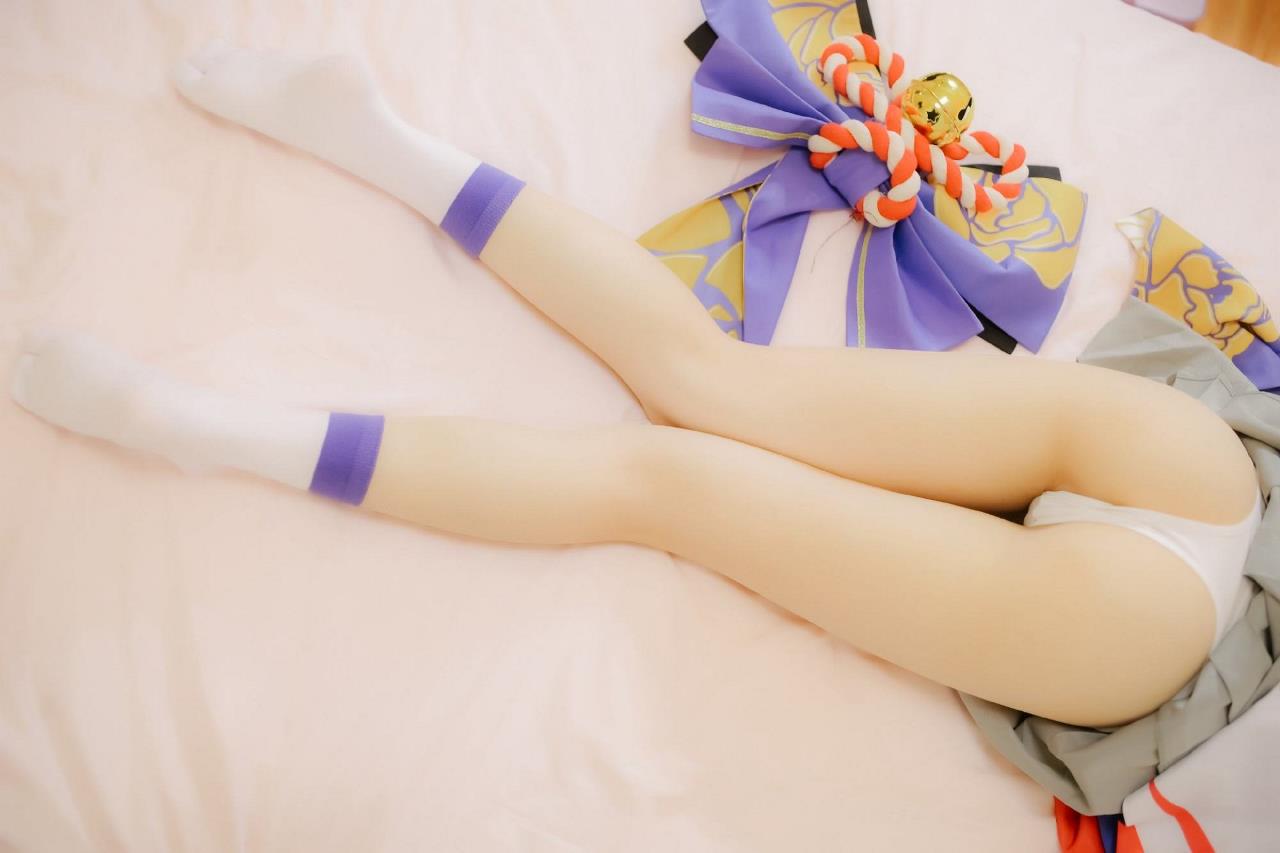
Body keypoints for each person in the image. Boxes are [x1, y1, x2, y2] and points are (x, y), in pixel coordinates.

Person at [9, 43, 1263, 729]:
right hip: (1144, 601)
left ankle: (365, 171)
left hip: (1196, 483)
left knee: (704, 401)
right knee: (670, 458)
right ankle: (225, 414)